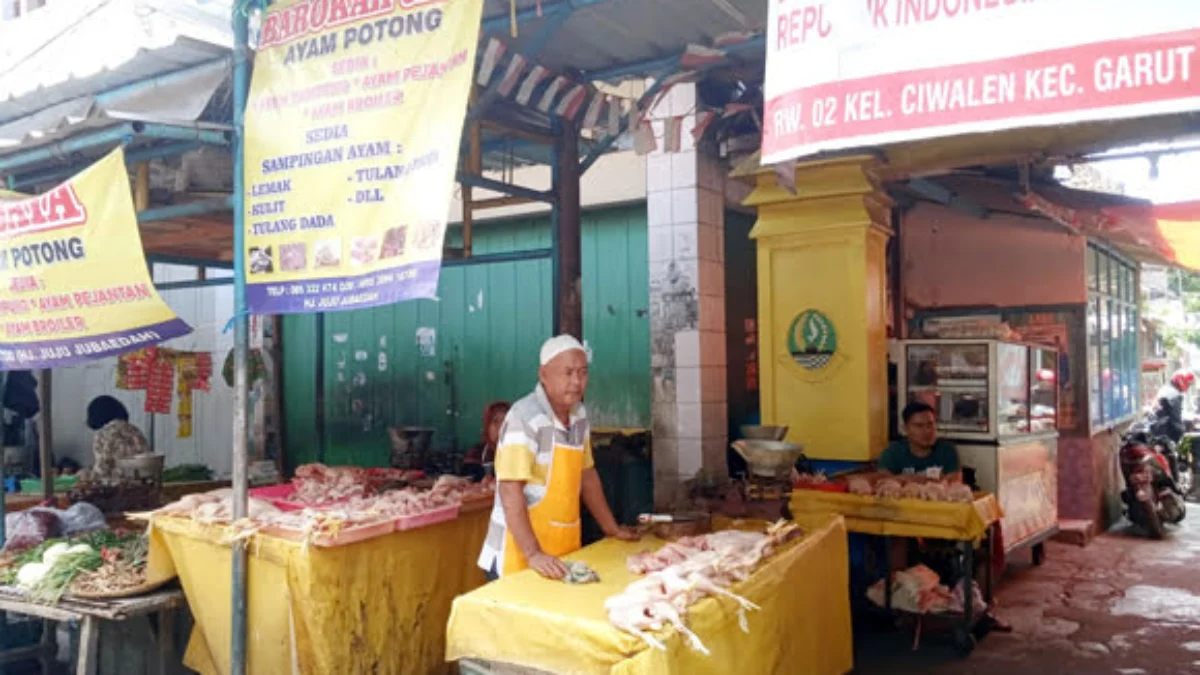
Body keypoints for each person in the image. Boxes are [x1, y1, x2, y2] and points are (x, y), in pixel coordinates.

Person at [477, 335, 638, 581]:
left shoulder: (579, 415)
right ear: (543, 375)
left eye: (583, 373)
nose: (577, 381)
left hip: (560, 550)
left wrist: (611, 528)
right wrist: (533, 554)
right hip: (518, 553)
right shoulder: (525, 417)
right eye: (568, 372)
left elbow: (587, 475)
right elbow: (510, 489)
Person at [879, 402, 960, 477]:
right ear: (905, 429)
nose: (927, 431)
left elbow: (954, 481)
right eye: (919, 426)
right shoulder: (893, 452)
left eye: (930, 424)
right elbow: (883, 480)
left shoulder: (947, 450)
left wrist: (901, 479)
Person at [85, 396, 150, 484]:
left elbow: (102, 466)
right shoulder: (135, 430)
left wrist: (89, 478)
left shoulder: (103, 434)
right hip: (142, 486)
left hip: (116, 489)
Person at [463, 401, 510, 482]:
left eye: (505, 422)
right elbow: (467, 482)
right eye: (495, 422)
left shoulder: (522, 453)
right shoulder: (476, 453)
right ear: (487, 426)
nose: (500, 427)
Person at [1152, 371, 1194, 444]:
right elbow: (1176, 418)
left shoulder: (1166, 389)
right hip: (1167, 432)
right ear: (1182, 381)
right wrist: (1181, 431)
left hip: (1159, 429)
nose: (1188, 387)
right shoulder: (1174, 394)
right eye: (1188, 384)